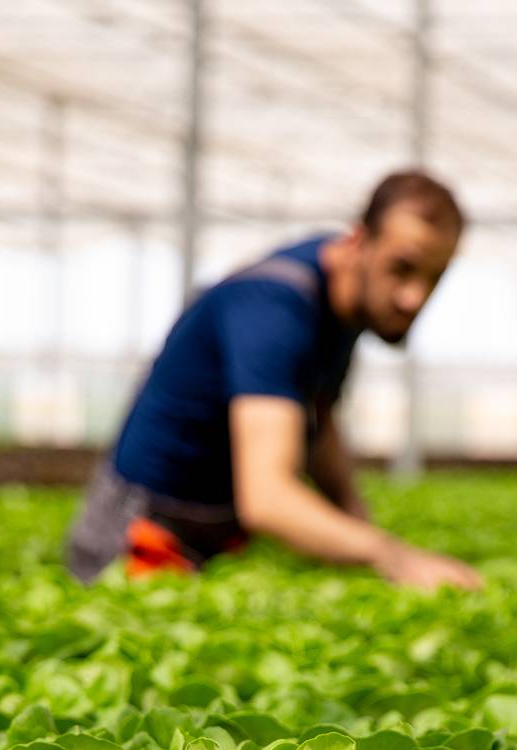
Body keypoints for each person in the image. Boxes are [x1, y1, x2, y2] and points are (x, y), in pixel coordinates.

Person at [67, 170, 483, 592]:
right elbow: (268, 500)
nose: (413, 297)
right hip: (142, 527)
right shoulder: (275, 309)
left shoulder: (345, 305)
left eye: (434, 277)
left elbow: (316, 420)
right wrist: (391, 555)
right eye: (402, 268)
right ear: (358, 243)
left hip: (213, 527)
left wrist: (355, 521)